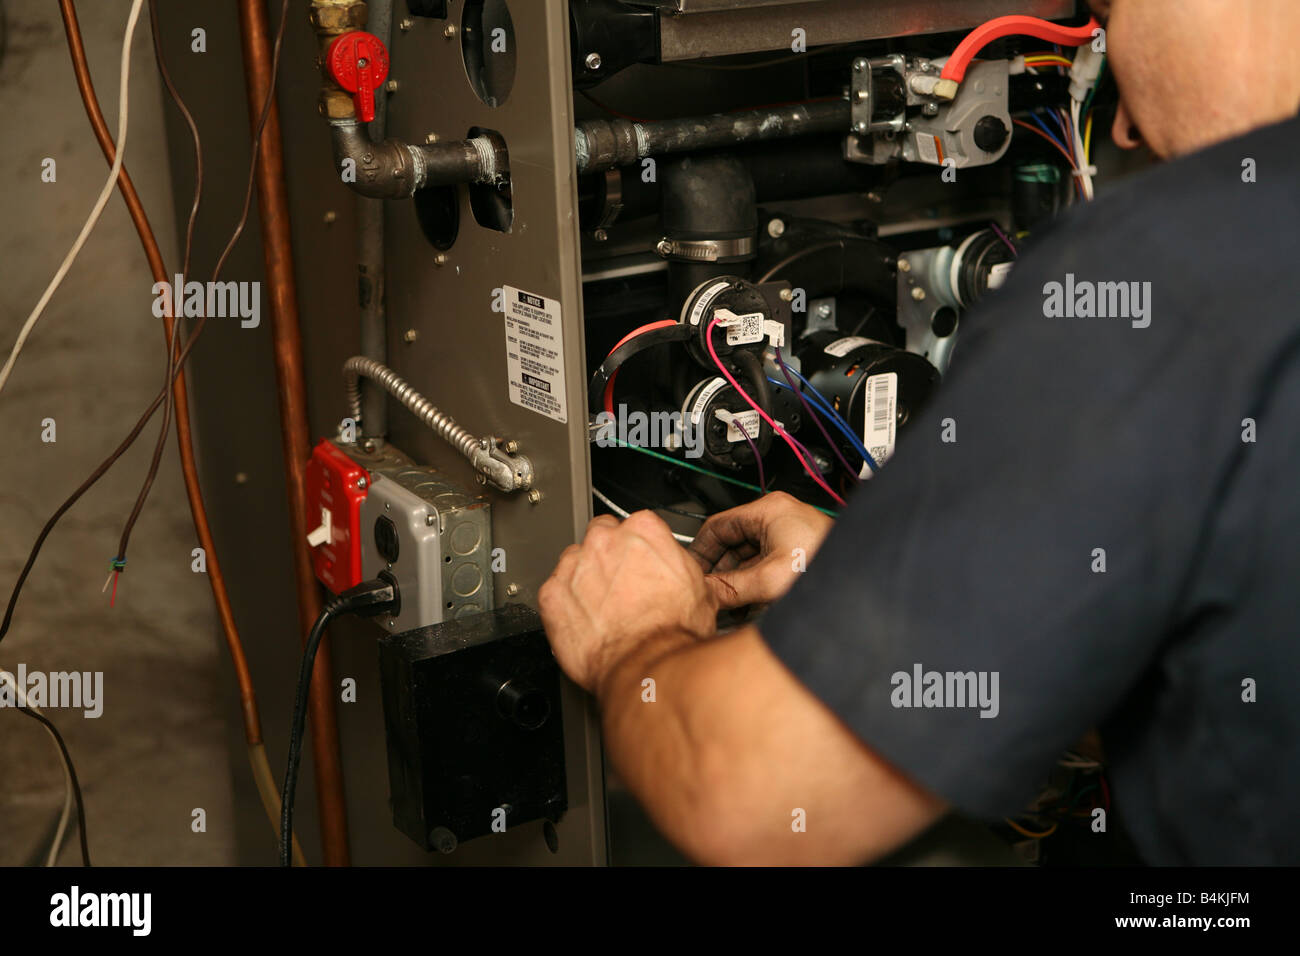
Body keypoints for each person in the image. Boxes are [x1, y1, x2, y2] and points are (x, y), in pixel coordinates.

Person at [539, 0, 1300, 865]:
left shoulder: (1155, 281)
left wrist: (634, 638)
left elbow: (748, 793)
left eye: (1112, 11)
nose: (1119, 121)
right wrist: (909, 591)